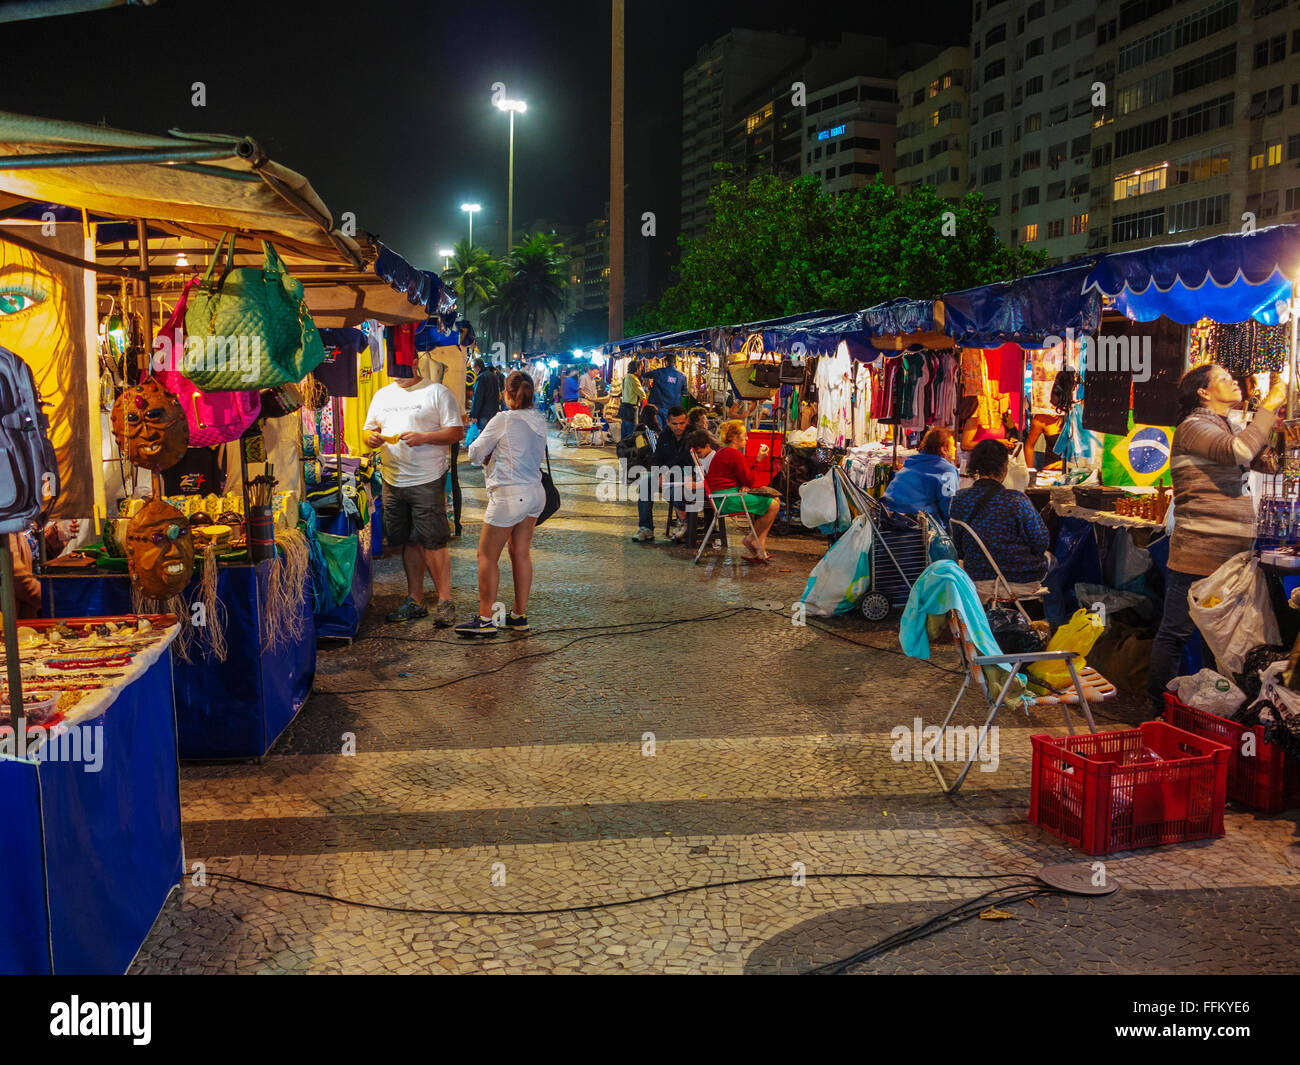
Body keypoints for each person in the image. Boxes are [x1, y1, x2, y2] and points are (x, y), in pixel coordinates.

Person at [1147, 364, 1286, 713]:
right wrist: (1267, 409)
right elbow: (1239, 451)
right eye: (1223, 378)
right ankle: (1157, 708)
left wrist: (1281, 428)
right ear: (1203, 393)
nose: (1234, 381)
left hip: (1231, 554)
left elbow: (1268, 464)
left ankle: (1214, 709)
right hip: (1198, 552)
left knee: (1220, 637)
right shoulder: (1194, 427)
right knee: (1176, 631)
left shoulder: (1225, 426)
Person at [364, 366, 464, 624]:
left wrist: (425, 437)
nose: (395, 375)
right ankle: (415, 599)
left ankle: (444, 601)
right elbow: (368, 430)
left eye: (401, 367)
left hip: (427, 478)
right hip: (392, 479)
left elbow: (456, 432)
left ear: (413, 360)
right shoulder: (382, 395)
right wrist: (370, 439)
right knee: (408, 541)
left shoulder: (436, 392)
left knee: (434, 541)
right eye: (392, 369)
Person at [455, 372, 549, 638]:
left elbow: (474, 452)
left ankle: (486, 619)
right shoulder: (539, 419)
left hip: (509, 495)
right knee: (520, 552)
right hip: (534, 493)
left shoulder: (503, 419)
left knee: (486, 556)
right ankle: (519, 615)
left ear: (506, 394)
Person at [949, 438, 1050, 602]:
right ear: (1004, 468)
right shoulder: (1017, 500)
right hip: (1019, 578)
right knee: (1057, 564)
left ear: (974, 466)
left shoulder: (960, 499)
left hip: (975, 575)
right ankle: (1056, 620)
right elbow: (1041, 542)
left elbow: (958, 547)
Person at [704, 419, 780, 562]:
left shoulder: (724, 451)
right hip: (727, 499)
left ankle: (760, 547)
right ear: (733, 437)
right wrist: (759, 460)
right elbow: (750, 480)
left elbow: (741, 479)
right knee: (774, 505)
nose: (747, 438)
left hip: (722, 496)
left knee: (773, 501)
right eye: (744, 435)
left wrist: (743, 484)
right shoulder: (734, 454)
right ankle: (751, 539)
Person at [632, 406, 691, 543]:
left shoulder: (693, 435)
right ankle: (646, 528)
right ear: (669, 422)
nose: (678, 427)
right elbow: (656, 459)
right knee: (646, 483)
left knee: (674, 491)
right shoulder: (665, 435)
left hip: (688, 477)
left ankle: (683, 523)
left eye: (682, 423)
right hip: (667, 475)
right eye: (674, 424)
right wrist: (658, 474)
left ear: (686, 421)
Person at [883, 426, 959, 526]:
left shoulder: (913, 462)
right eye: (952, 446)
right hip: (915, 523)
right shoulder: (947, 470)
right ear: (944, 449)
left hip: (888, 517)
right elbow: (949, 505)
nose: (954, 449)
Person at [646, 353, 688, 426]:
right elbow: (685, 393)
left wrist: (649, 386)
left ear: (666, 362)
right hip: (674, 410)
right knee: (672, 430)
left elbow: (645, 375)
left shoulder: (658, 372)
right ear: (675, 363)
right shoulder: (682, 376)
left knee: (659, 429)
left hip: (659, 407)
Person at [468, 357, 501, 432]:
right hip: (494, 412)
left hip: (484, 413)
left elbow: (478, 397)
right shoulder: (493, 376)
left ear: (477, 367)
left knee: (483, 435)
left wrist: (474, 415)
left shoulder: (481, 377)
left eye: (473, 368)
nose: (473, 370)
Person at [619, 360, 646, 440]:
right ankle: (629, 451)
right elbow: (643, 395)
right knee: (632, 433)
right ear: (637, 369)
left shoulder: (626, 377)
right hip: (631, 409)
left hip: (624, 407)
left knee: (624, 432)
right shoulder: (633, 378)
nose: (641, 370)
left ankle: (622, 450)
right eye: (641, 368)